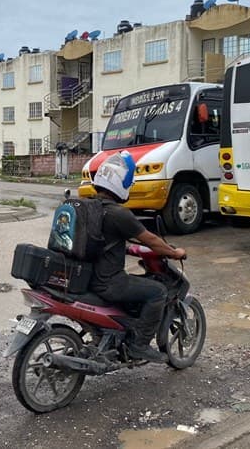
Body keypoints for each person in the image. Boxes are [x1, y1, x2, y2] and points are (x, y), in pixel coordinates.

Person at [89, 151, 187, 363]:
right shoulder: (118, 213)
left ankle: (118, 335)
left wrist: (123, 249)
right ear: (120, 183)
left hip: (86, 279)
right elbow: (150, 239)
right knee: (158, 292)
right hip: (109, 283)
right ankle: (139, 345)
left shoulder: (89, 207)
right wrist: (173, 252)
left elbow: (100, 241)